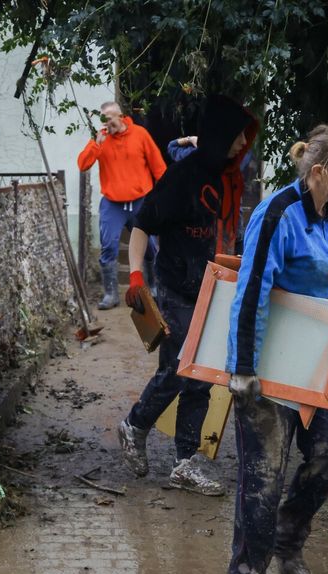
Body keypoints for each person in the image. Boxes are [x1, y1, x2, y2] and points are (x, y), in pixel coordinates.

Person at [224, 125, 328, 574]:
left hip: (316, 360)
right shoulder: (278, 213)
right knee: (264, 470)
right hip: (267, 363)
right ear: (321, 171)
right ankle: (248, 570)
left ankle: (288, 537)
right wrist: (242, 368)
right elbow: (251, 291)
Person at [116, 95, 258, 495]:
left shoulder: (231, 178)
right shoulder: (182, 179)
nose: (240, 146)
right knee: (180, 368)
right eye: (235, 138)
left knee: (202, 378)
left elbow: (230, 234)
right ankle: (135, 425)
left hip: (214, 290)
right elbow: (142, 226)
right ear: (216, 136)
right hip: (176, 287)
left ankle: (184, 462)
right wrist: (137, 278)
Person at [77, 101, 167, 309]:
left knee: (151, 248)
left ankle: (153, 288)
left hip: (141, 201)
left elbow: (159, 167)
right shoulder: (100, 139)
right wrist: (95, 143)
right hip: (112, 203)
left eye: (110, 118)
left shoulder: (140, 135)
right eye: (104, 120)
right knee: (108, 245)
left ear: (121, 115)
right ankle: (111, 294)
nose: (108, 124)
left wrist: (160, 197)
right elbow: (83, 165)